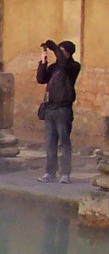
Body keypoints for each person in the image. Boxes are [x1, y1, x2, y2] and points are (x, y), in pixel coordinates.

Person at [36, 39, 80, 184]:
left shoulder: (73, 67)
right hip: (50, 109)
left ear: (68, 53)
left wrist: (54, 47)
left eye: (62, 51)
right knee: (50, 143)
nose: (59, 54)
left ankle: (65, 173)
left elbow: (63, 63)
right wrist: (43, 61)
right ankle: (49, 172)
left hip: (63, 110)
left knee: (64, 143)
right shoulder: (54, 67)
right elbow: (41, 79)